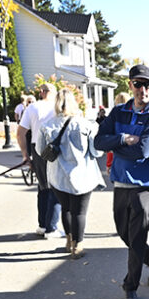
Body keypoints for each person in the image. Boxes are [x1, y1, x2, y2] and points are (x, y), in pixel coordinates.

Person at [96, 64, 149, 299]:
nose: (142, 89)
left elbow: (143, 150)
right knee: (124, 233)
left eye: (147, 84)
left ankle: (130, 287)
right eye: (138, 84)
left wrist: (116, 146)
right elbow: (98, 141)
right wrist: (123, 138)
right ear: (130, 85)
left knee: (136, 237)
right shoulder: (118, 112)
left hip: (145, 185)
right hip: (120, 181)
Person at [40, 89, 102, 259]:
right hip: (82, 175)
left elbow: (40, 150)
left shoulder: (47, 125)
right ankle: (78, 245)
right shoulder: (86, 125)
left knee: (66, 209)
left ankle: (69, 241)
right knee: (79, 212)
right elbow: (96, 152)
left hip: (58, 176)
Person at [16, 83, 61, 237]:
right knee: (55, 187)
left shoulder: (32, 108)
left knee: (42, 187)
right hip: (56, 147)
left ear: (41, 92)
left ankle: (42, 224)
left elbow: (20, 133)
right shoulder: (58, 106)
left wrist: (25, 155)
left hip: (38, 147)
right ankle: (51, 227)